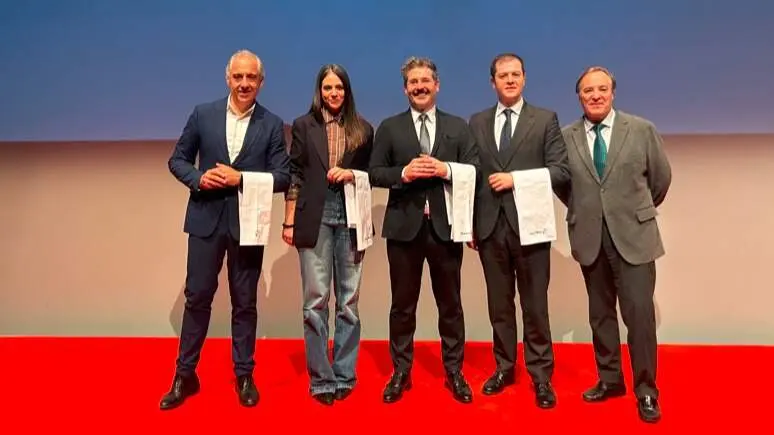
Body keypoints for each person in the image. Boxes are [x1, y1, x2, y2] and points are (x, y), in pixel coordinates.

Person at [161, 49, 290, 409]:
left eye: (251, 78)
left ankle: (244, 374)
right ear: (227, 78)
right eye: (239, 77)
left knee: (244, 303)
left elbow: (283, 176)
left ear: (261, 82)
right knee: (197, 297)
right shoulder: (203, 114)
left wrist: (241, 178)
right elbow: (177, 160)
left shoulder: (272, 124)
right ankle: (184, 375)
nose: (244, 83)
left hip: (248, 224)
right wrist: (201, 179)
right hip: (205, 222)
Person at [558, 66, 671, 423]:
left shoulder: (640, 130)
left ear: (613, 92)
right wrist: (589, 211)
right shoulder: (566, 137)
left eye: (602, 89)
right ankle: (610, 380)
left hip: (634, 237)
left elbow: (660, 180)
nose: (595, 95)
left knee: (638, 317)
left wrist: (631, 211)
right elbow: (564, 186)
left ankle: (647, 392)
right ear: (579, 96)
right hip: (590, 237)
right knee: (600, 316)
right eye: (588, 90)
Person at [369, 56, 479, 404]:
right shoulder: (389, 127)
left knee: (451, 305)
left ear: (437, 85)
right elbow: (375, 173)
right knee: (402, 306)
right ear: (405, 89)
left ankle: (454, 371)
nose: (419, 87)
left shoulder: (458, 127)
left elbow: (474, 168)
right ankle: (401, 371)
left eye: (425, 81)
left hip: (445, 230)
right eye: (413, 82)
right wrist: (403, 173)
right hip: (404, 230)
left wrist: (445, 168)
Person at [468, 53, 570, 408]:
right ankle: (504, 367)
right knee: (499, 307)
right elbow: (473, 178)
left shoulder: (545, 120)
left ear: (524, 78)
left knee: (535, 307)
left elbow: (560, 171)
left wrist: (516, 180)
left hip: (531, 228)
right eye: (502, 75)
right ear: (492, 82)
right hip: (490, 229)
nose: (509, 80)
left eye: (515, 74)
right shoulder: (477, 122)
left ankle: (541, 377)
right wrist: (469, 225)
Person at [281, 64, 374, 406]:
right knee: (315, 301)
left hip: (350, 218)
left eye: (339, 88)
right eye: (327, 88)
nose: (333, 93)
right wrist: (288, 222)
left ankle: (345, 373)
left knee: (348, 302)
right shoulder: (304, 126)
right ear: (319, 91)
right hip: (314, 219)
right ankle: (322, 378)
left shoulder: (364, 128)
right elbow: (294, 175)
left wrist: (351, 174)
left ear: (347, 91)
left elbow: (370, 174)